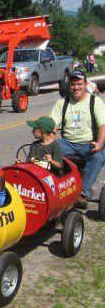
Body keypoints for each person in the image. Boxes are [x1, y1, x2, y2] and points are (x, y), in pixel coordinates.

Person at [50, 69, 105, 208]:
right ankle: (52, 189)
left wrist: (99, 143)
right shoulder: (62, 103)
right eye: (73, 84)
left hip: (89, 143)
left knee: (98, 157)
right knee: (46, 152)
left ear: (85, 84)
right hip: (67, 143)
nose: (76, 87)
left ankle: (83, 194)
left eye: (79, 83)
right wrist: (49, 142)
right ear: (70, 86)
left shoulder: (95, 102)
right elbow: (52, 126)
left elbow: (102, 126)